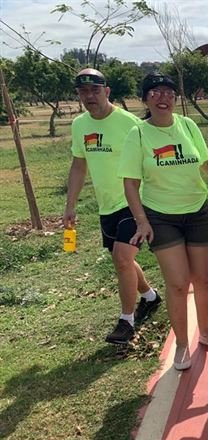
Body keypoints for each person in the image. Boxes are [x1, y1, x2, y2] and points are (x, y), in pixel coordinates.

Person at [119, 73, 208, 371]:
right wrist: (142, 221)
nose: (162, 97)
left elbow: (206, 164)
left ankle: (205, 332)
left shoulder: (188, 126)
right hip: (160, 215)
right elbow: (130, 183)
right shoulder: (138, 134)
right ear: (145, 99)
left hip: (197, 210)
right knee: (178, 284)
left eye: (168, 92)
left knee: (203, 279)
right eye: (155, 92)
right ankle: (181, 344)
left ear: (175, 98)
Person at [64, 68, 161, 345]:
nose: (89, 96)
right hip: (106, 206)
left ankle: (126, 321)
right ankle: (150, 297)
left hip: (134, 202)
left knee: (121, 258)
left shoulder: (130, 123)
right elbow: (79, 165)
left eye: (95, 90)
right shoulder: (80, 125)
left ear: (107, 91)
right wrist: (70, 205)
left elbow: (150, 160)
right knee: (123, 260)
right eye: (83, 91)